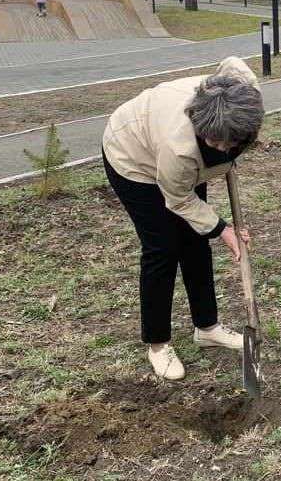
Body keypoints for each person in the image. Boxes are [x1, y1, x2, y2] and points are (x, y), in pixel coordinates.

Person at [102, 56, 264, 380]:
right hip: (134, 158)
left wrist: (213, 229)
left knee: (194, 241)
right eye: (212, 141)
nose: (218, 146)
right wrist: (223, 229)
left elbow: (233, 62)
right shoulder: (179, 148)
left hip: (179, 159)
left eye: (225, 142)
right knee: (162, 248)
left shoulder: (246, 100)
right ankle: (158, 344)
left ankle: (207, 327)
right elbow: (179, 198)